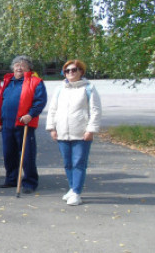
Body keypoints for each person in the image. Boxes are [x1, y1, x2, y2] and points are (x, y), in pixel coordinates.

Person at [46, 60, 101, 206]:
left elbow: (95, 111)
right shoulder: (60, 89)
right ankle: (72, 188)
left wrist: (91, 130)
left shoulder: (88, 88)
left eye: (74, 70)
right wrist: (52, 128)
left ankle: (76, 192)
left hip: (81, 132)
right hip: (62, 132)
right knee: (68, 163)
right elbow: (53, 109)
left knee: (78, 163)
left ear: (81, 71)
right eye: (67, 71)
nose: (71, 73)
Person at [0, 55, 47, 193]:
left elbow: (40, 101)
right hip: (7, 124)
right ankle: (11, 179)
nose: (19, 67)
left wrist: (30, 114)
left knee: (27, 155)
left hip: (24, 124)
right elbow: (1, 102)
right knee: (9, 154)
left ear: (28, 67)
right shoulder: (8, 81)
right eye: (16, 64)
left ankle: (30, 182)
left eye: (22, 65)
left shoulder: (35, 82)